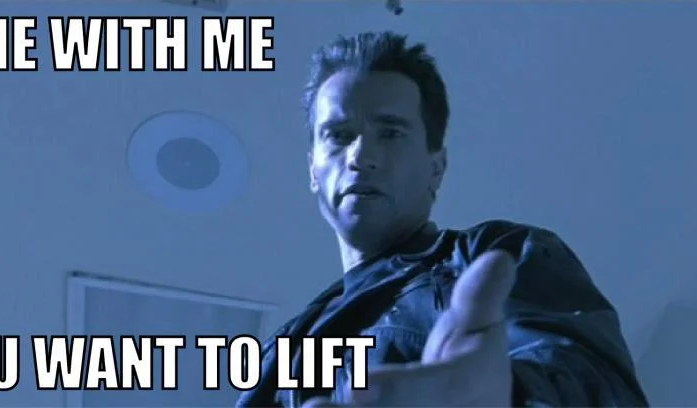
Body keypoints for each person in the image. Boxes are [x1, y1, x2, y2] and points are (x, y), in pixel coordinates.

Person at [236, 31, 649, 407]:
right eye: (339, 135)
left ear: (437, 168)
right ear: (313, 169)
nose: (361, 156)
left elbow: (586, 379)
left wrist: (514, 395)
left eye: (391, 133)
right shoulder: (278, 351)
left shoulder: (491, 255)